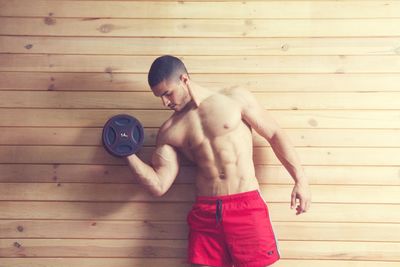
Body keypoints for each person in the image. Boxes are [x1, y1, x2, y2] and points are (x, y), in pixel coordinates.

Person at [126, 55, 311, 267]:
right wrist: (127, 153)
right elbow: (159, 185)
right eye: (159, 97)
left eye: (168, 94)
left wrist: (301, 180)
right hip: (206, 212)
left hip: (246, 205)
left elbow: (274, 134)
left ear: (184, 79)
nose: (165, 103)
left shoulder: (234, 98)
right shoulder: (169, 131)